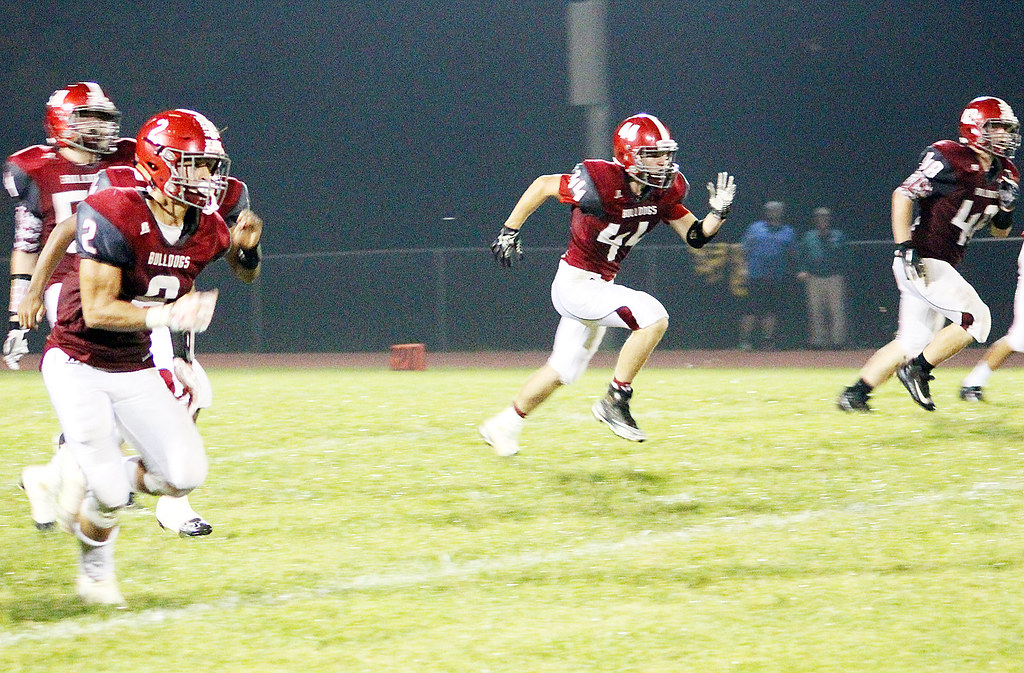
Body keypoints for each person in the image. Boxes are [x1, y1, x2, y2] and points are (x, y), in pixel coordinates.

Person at [29, 109, 262, 605]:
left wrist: (247, 251)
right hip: (77, 359)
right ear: (158, 164)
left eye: (210, 166)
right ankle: (95, 570)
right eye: (193, 165)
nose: (206, 177)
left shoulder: (209, 227)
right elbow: (97, 310)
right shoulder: (114, 208)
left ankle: (77, 473)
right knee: (111, 495)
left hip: (133, 365)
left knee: (184, 474)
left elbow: (237, 268)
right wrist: (169, 316)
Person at [479, 113, 736, 456]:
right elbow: (544, 185)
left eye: (666, 154)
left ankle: (503, 425)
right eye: (654, 154)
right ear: (630, 155)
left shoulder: (662, 193)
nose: (664, 162)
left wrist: (717, 215)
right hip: (576, 284)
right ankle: (616, 400)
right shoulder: (601, 181)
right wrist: (509, 230)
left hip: (599, 285)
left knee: (563, 371)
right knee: (653, 317)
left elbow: (695, 236)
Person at [838, 96, 1019, 412]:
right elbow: (903, 194)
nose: (1004, 135)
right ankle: (918, 370)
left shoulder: (1005, 172)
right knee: (977, 318)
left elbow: (999, 232)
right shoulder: (952, 157)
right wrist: (904, 245)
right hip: (923, 257)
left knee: (911, 342)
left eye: (1007, 128)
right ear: (975, 128)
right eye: (996, 127)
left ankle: (855, 395)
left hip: (942, 262)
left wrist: (1006, 209)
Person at [3, 82, 134, 370]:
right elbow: (26, 247)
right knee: (90, 358)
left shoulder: (128, 160)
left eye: (104, 119)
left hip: (123, 276)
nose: (100, 128)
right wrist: (16, 319)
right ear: (61, 121)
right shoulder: (36, 169)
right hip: (65, 282)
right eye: (88, 118)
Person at [738, 201, 796, 350]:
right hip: (755, 276)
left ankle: (767, 341)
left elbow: (792, 254)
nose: (772, 212)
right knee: (750, 310)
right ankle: (745, 341)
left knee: (771, 311)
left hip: (776, 277)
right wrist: (743, 269)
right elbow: (744, 250)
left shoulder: (788, 231)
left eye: (776, 210)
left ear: (781, 212)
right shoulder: (754, 228)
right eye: (770, 210)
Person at [796, 207, 848, 348]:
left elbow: (845, 255)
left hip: (834, 277)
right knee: (815, 311)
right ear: (815, 220)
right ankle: (818, 341)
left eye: (825, 217)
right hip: (813, 278)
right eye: (819, 217)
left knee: (837, 311)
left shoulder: (838, 235)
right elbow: (801, 256)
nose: (822, 220)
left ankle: (838, 342)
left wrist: (842, 272)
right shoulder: (808, 236)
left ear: (829, 219)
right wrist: (802, 270)